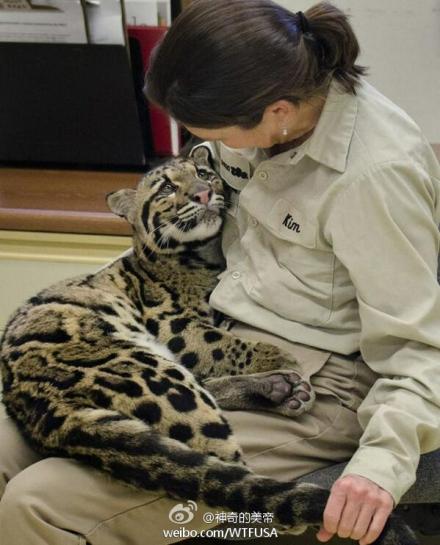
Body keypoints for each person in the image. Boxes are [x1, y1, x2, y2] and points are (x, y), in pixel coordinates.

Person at [0, 1, 439, 544]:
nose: (208, 150)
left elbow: (419, 351)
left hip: (319, 381)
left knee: (39, 502)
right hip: (218, 339)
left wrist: (380, 467)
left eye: (217, 135)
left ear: (278, 112)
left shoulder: (372, 178)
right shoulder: (268, 107)